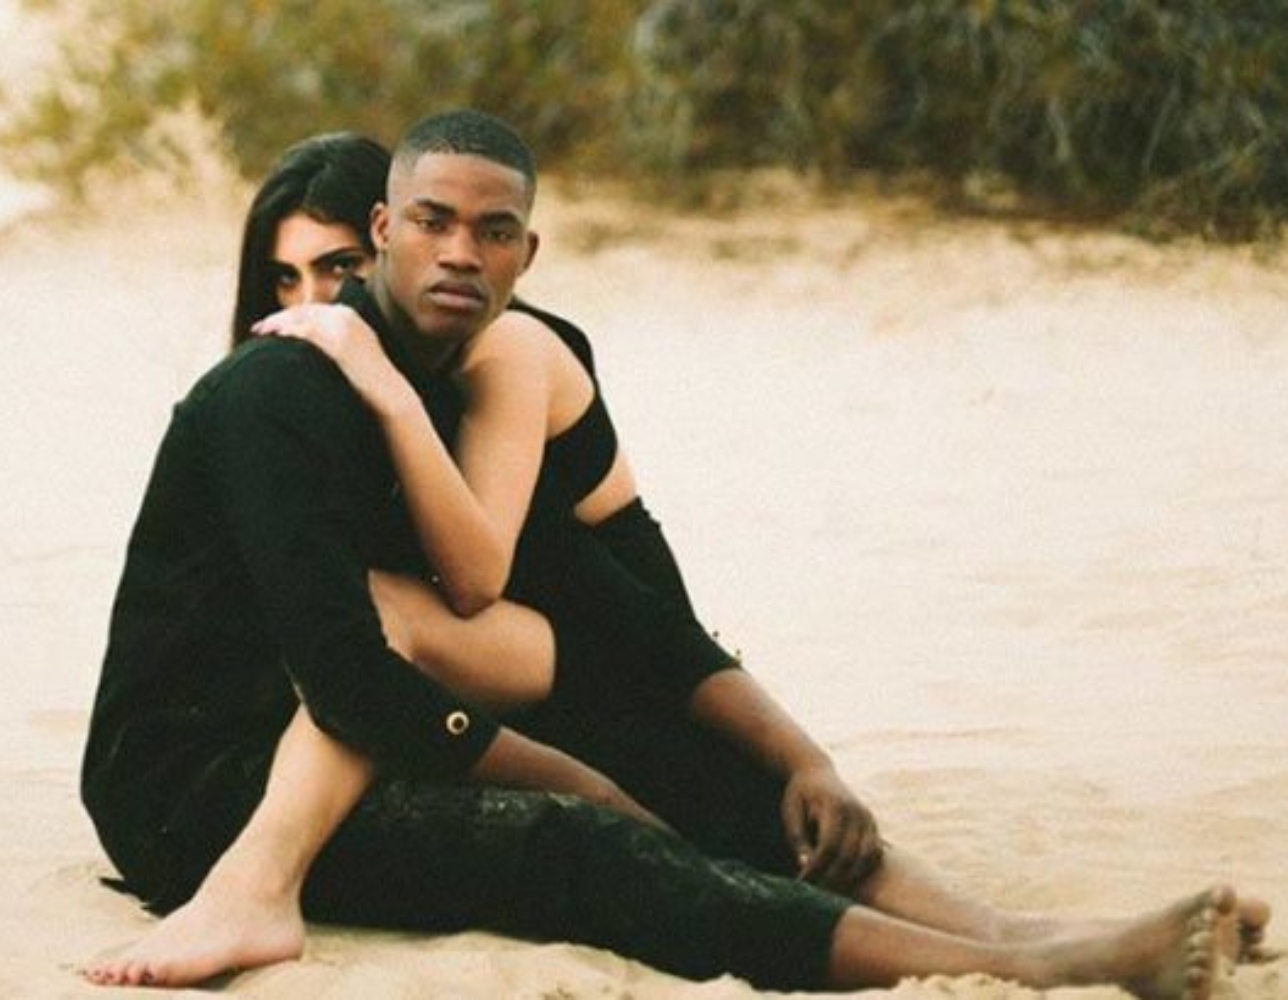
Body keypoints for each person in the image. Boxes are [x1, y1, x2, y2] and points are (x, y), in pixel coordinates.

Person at [81, 111, 1265, 995]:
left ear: (518, 256)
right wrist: (583, 783)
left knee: (693, 779)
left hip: (367, 726)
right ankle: (1045, 976)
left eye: (485, 234)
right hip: (200, 793)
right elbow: (348, 674)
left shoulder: (462, 399)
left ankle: (1035, 936)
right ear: (395, 233)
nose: (330, 301)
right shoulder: (271, 399)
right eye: (304, 281)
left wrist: (799, 757)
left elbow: (616, 612)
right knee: (581, 838)